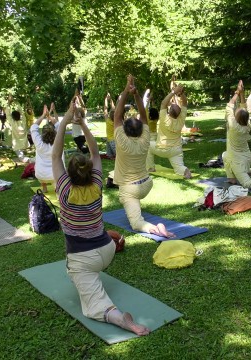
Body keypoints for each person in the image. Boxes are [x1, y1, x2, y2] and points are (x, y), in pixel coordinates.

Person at [51, 91, 151, 337]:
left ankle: (120, 319)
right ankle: (83, 274)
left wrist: (65, 120)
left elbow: (55, 154)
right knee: (71, 269)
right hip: (107, 250)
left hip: (84, 259)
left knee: (93, 305)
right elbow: (95, 153)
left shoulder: (64, 190)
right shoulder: (96, 184)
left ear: (70, 175)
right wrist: (82, 123)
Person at [113, 75, 175, 238]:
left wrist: (127, 89)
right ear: (140, 129)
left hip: (130, 190)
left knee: (136, 223)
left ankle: (156, 228)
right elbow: (143, 115)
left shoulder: (122, 142)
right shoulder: (145, 138)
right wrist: (136, 94)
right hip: (146, 184)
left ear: (125, 131)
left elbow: (117, 116)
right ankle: (137, 207)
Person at [146, 80, 192, 179]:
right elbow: (185, 103)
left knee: (147, 146)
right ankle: (185, 171)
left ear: (169, 111)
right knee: (179, 167)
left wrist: (174, 92)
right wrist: (182, 94)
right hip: (176, 150)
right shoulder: (181, 120)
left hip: (162, 148)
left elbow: (163, 103)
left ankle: (150, 168)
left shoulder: (164, 118)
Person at [31, 103, 61, 193]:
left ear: (42, 134)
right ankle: (57, 187)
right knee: (56, 172)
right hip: (56, 174)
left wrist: (43, 115)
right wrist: (50, 116)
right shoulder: (58, 143)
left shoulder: (39, 143)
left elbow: (33, 127)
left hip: (41, 174)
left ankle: (44, 188)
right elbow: (58, 125)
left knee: (41, 168)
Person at [6, 95, 29, 162]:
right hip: (24, 143)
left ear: (13, 117)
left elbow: (8, 114)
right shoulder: (23, 121)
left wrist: (9, 102)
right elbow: (22, 112)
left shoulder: (13, 123)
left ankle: (32, 160)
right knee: (21, 157)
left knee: (23, 159)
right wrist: (16, 102)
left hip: (17, 145)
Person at [71, 90, 89, 154]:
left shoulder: (75, 117)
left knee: (83, 149)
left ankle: (83, 150)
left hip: (77, 137)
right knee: (82, 147)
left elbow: (72, 104)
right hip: (84, 136)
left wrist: (75, 96)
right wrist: (80, 98)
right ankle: (81, 149)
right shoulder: (84, 117)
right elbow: (84, 107)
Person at [104, 93, 116, 159]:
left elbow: (105, 109)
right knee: (116, 155)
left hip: (109, 140)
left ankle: (111, 156)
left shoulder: (107, 121)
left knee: (111, 156)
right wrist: (111, 99)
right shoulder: (116, 122)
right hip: (113, 141)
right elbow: (114, 109)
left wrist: (106, 99)